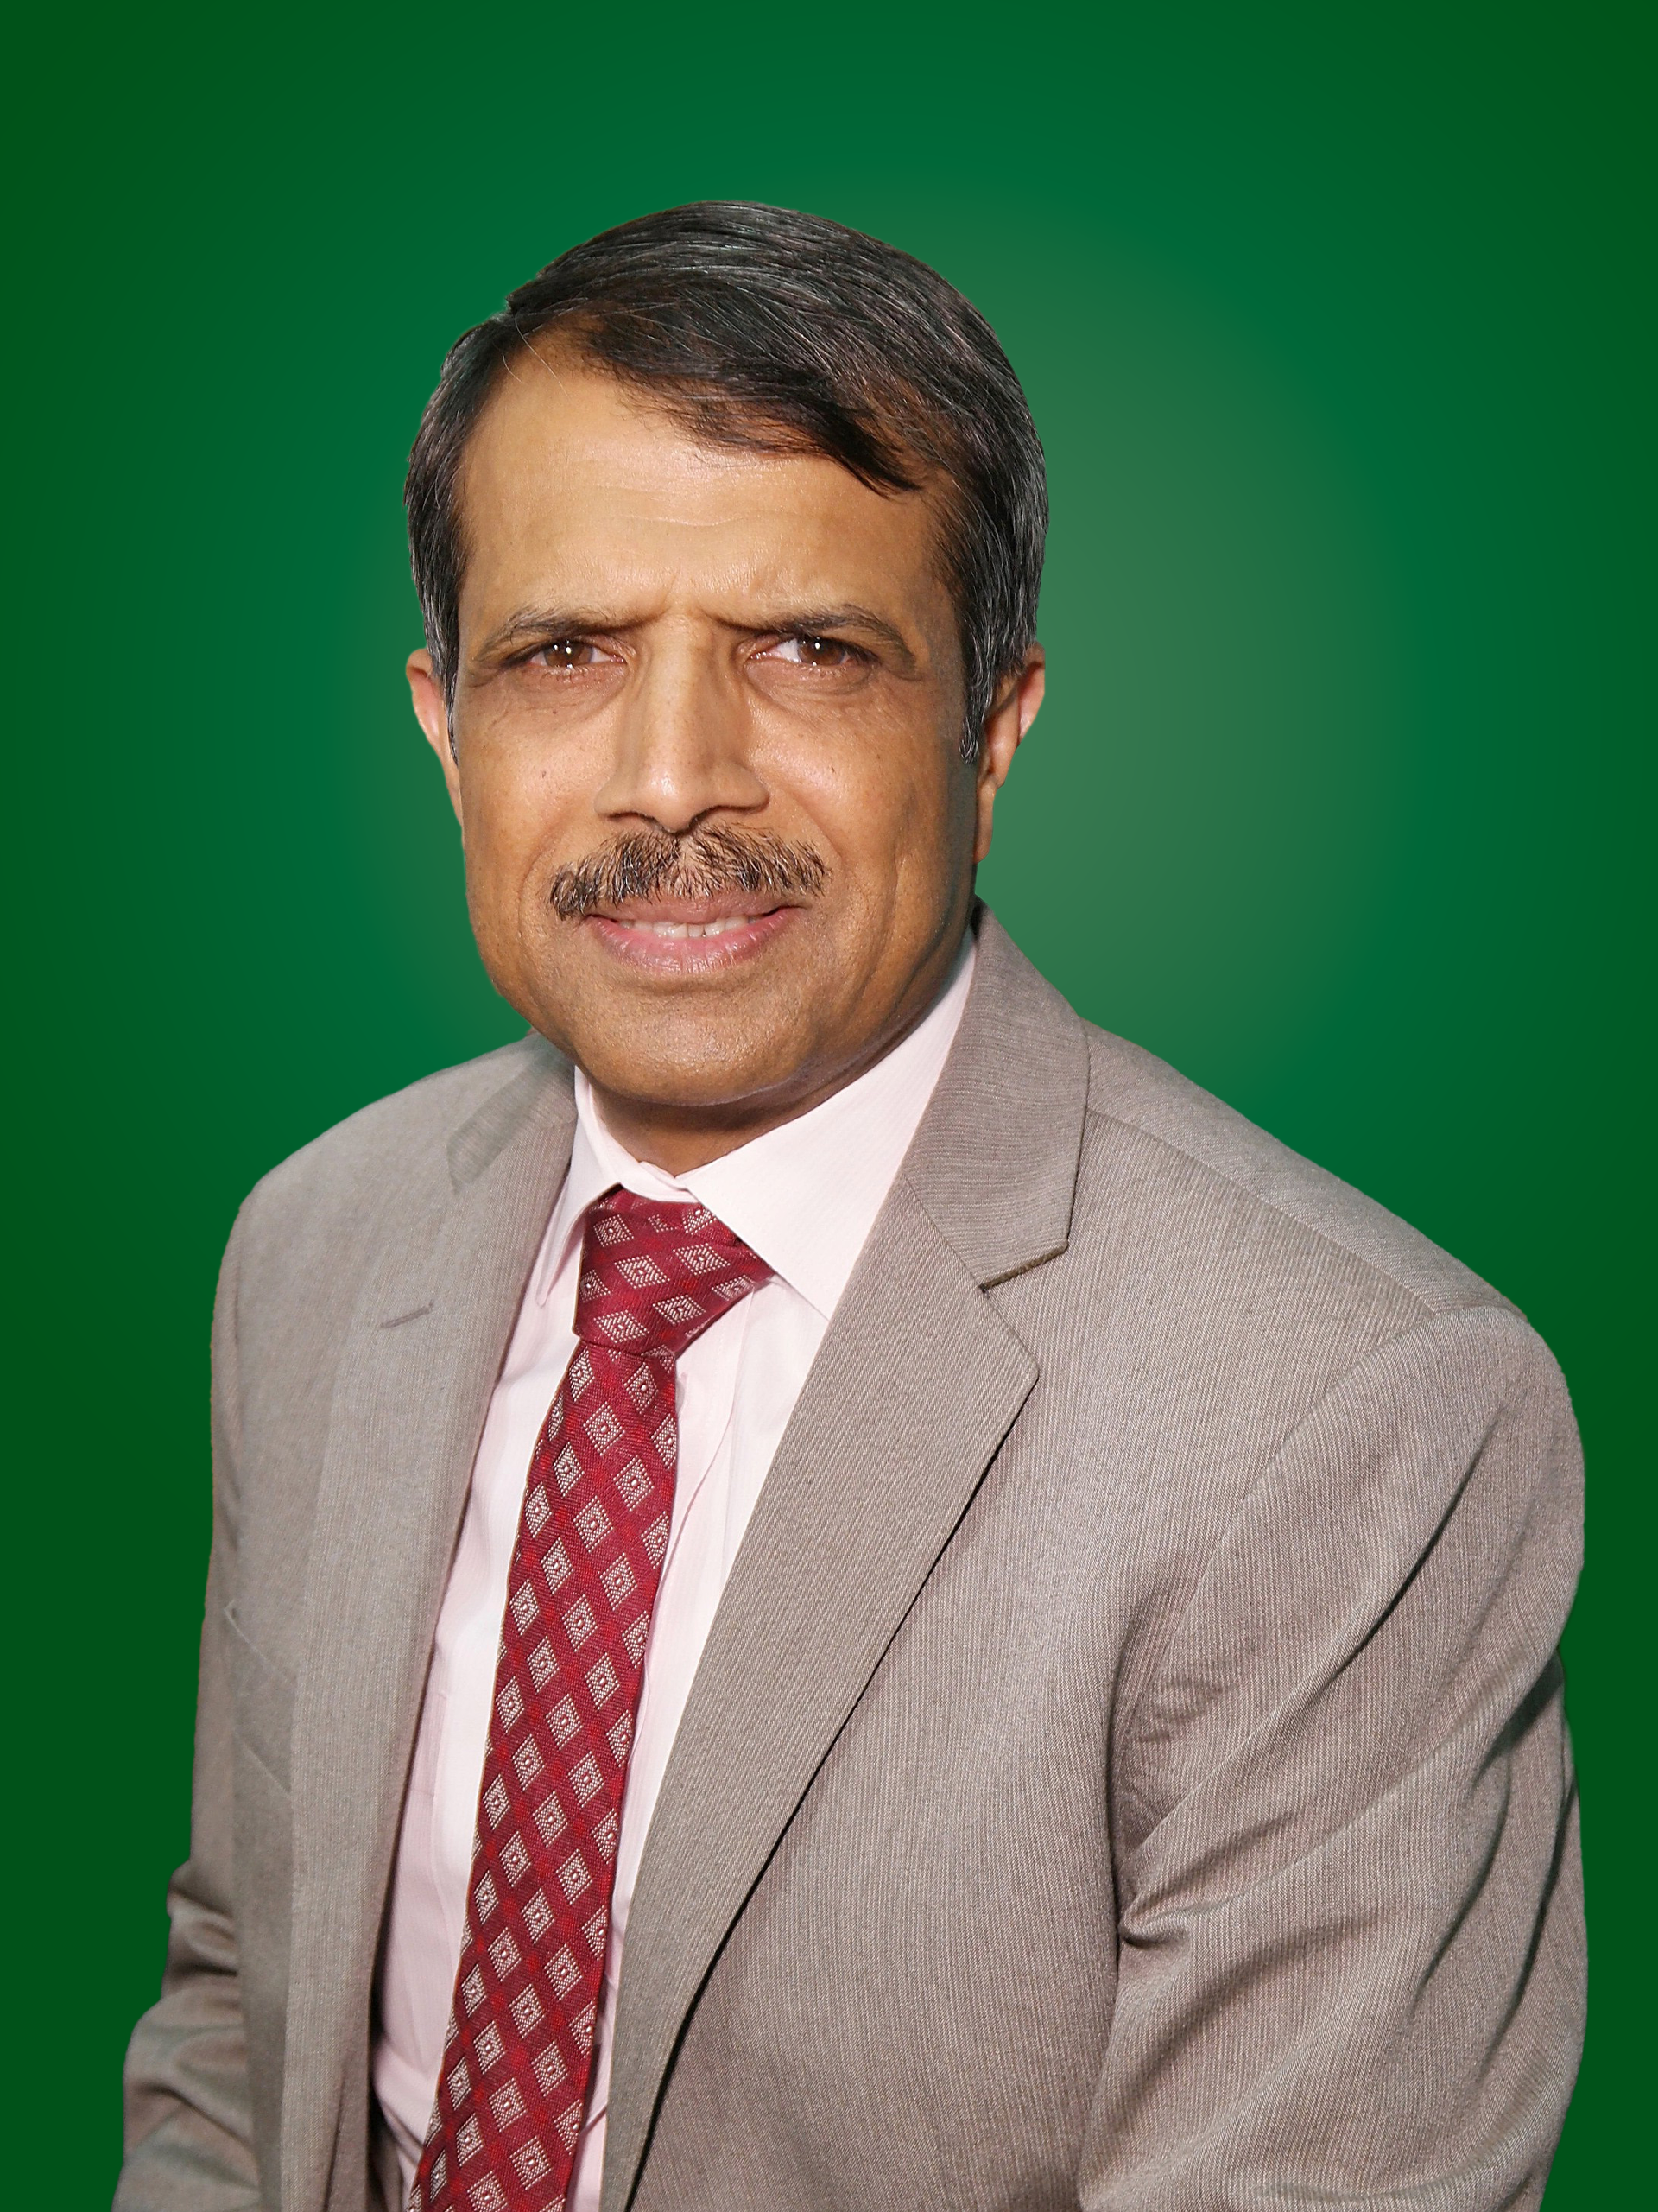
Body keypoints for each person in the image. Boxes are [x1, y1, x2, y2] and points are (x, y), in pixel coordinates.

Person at [116, 202, 1584, 2212]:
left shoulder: (1356, 1414)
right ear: (446, 726)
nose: (671, 779)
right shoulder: (312, 1245)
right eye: (564, 653)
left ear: (995, 719)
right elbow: (238, 2015)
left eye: (808, 649)